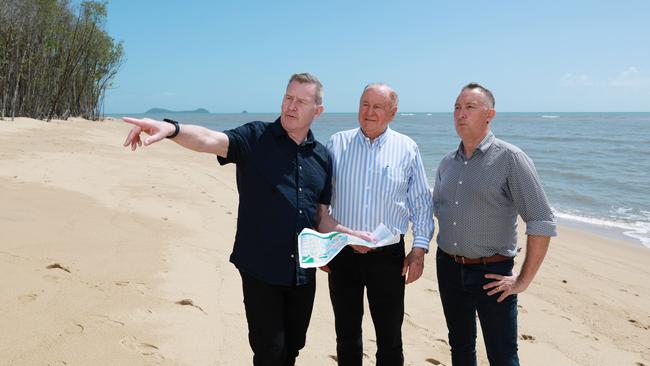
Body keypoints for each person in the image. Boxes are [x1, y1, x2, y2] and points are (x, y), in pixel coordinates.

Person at [121, 73, 367, 366]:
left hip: (302, 271)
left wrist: (347, 235)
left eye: (301, 101)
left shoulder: (322, 157)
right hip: (260, 267)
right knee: (269, 353)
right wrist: (173, 128)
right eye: (288, 98)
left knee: (293, 348)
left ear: (318, 110)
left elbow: (320, 217)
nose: (291, 105)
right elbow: (209, 139)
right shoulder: (256, 137)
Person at [432, 82, 557, 366]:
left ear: (489, 114)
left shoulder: (511, 158)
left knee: (502, 356)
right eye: (457, 108)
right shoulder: (446, 164)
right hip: (448, 267)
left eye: (470, 107)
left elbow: (542, 220)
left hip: (493, 275)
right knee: (460, 347)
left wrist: (522, 280)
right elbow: (439, 209)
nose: (460, 114)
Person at [318, 83, 435, 366]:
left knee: (390, 337)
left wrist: (418, 250)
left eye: (378, 106)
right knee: (346, 335)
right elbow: (321, 199)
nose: (369, 112)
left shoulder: (407, 148)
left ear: (392, 113)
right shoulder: (337, 143)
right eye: (364, 104)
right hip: (343, 255)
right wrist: (323, 246)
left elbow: (420, 202)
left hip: (388, 258)